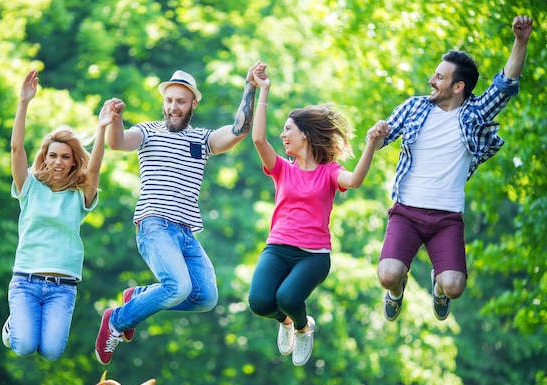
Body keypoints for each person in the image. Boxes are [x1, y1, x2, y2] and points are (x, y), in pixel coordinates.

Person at [94, 62, 264, 365]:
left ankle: (139, 297)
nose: (173, 107)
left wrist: (250, 86)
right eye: (169, 100)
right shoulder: (148, 132)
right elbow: (117, 143)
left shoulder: (203, 140)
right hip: (154, 225)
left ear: (193, 104)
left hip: (185, 233)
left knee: (206, 298)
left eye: (180, 102)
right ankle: (117, 321)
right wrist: (115, 119)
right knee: (178, 287)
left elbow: (240, 130)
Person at [371, 16, 533, 322]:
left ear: (458, 86)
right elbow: (383, 138)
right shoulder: (415, 107)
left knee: (455, 286)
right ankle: (396, 291)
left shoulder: (475, 115)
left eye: (440, 77)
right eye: (434, 75)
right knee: (388, 274)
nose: (432, 81)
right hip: (407, 211)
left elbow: (504, 85)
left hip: (446, 217)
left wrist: (520, 41)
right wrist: (377, 134)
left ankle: (439, 287)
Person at [247, 66, 388, 366]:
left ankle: (302, 326)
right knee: (259, 302)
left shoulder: (330, 173)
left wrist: (371, 146)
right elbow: (258, 140)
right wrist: (263, 90)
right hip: (278, 248)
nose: (283, 134)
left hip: (313, 256)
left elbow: (355, 180)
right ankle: (286, 322)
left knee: (287, 297)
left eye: (288, 129)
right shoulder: (282, 169)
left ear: (305, 134)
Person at [2, 69, 118, 361]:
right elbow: (16, 148)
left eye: (65, 157)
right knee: (25, 346)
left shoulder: (79, 195)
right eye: (53, 155)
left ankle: (26, 324)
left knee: (52, 352)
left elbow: (94, 168)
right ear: (45, 157)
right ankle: (13, 326)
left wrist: (102, 128)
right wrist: (23, 102)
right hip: (26, 281)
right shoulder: (28, 187)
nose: (58, 161)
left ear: (72, 161)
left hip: (62, 287)